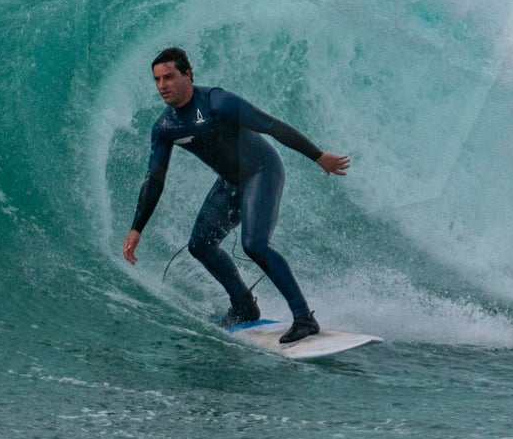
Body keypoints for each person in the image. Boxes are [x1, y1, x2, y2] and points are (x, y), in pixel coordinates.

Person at [120, 46, 350, 343]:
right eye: (157, 80)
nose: (162, 85)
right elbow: (155, 178)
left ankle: (304, 318)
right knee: (200, 245)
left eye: (169, 77)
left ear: (188, 74)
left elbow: (271, 125)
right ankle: (244, 305)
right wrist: (137, 227)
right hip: (230, 183)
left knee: (255, 245)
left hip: (262, 172)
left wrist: (317, 156)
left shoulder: (218, 102)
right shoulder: (166, 127)